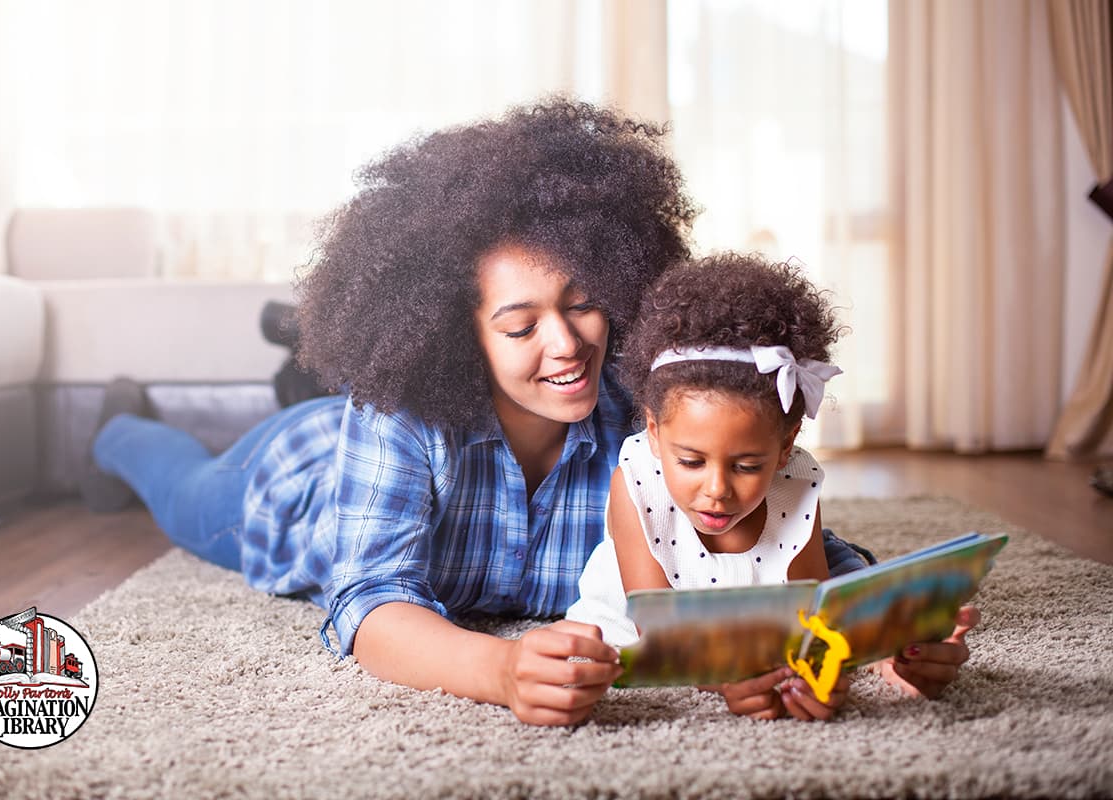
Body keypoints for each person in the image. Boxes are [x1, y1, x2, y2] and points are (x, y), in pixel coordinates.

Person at [80, 99, 869, 726]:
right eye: (521, 326)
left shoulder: (651, 414)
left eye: (586, 305)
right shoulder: (400, 413)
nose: (567, 345)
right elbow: (368, 596)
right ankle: (116, 422)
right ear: (456, 332)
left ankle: (287, 364)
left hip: (364, 431)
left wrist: (892, 635)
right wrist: (502, 669)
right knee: (177, 481)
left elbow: (798, 542)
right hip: (295, 478)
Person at [565, 253, 979, 721]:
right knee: (580, 662)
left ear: (785, 448)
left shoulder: (795, 484)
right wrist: (730, 678)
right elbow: (659, 635)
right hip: (637, 636)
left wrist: (818, 677)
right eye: (691, 461)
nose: (717, 489)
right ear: (655, 433)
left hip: (762, 633)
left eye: (746, 465)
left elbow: (812, 616)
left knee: (863, 605)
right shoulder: (636, 478)